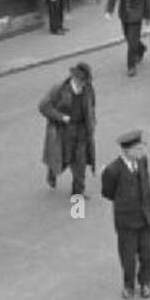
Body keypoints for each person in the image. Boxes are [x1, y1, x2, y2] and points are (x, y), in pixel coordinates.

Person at [100, 130, 150, 299]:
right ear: (126, 151)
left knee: (146, 253)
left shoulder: (142, 161)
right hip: (126, 221)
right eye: (138, 149)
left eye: (143, 147)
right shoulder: (112, 171)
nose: (142, 152)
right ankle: (129, 286)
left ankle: (145, 283)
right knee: (128, 255)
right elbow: (108, 193)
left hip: (146, 216)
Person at [40, 62, 97, 198]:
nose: (84, 84)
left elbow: (92, 106)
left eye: (86, 81)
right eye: (82, 81)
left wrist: (92, 122)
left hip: (82, 131)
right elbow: (44, 107)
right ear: (75, 78)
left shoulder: (88, 88)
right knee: (62, 159)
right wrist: (61, 117)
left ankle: (77, 194)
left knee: (80, 163)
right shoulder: (59, 89)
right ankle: (52, 173)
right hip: (63, 132)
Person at [104, 0, 150, 76]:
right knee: (128, 38)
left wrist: (147, 16)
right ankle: (140, 48)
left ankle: (131, 66)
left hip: (137, 15)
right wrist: (109, 10)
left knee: (132, 41)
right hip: (124, 15)